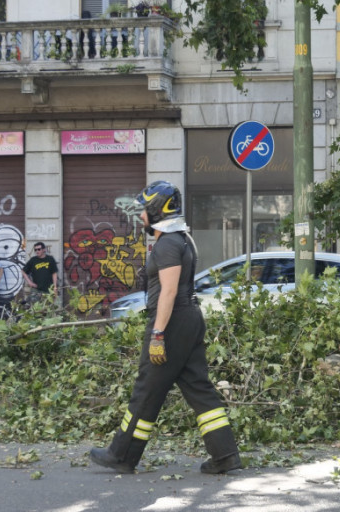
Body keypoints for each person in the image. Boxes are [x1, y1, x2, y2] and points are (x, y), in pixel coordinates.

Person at [89, 181, 241, 474]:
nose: (141, 216)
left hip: (172, 324)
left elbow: (169, 292)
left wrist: (158, 334)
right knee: (198, 387)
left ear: (158, 211)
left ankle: (121, 455)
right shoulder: (181, 238)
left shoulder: (169, 243)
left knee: (147, 388)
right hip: (188, 320)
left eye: (145, 210)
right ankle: (225, 455)